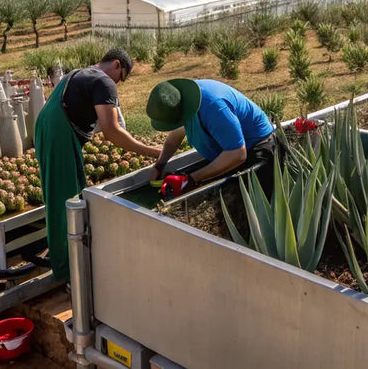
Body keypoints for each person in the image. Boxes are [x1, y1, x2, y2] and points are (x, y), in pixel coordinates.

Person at [35, 48, 161, 282]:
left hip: (50, 128)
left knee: (65, 196)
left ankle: (71, 262)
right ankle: (69, 272)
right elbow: (111, 133)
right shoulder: (104, 82)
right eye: (120, 77)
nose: (118, 84)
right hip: (59, 133)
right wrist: (152, 151)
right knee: (67, 201)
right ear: (116, 64)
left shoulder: (81, 73)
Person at [146, 78, 277, 197]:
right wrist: (160, 165)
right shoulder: (181, 103)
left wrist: (192, 179)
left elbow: (237, 154)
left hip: (256, 150)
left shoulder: (214, 107)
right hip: (229, 151)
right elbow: (173, 140)